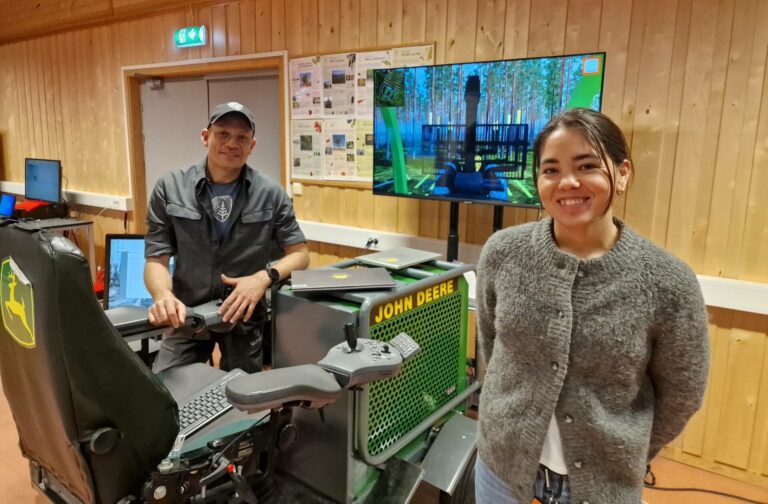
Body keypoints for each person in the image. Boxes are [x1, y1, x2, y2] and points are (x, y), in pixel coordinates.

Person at [474, 108, 709, 503]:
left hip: (604, 486)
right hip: (501, 467)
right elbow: (492, 348)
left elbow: (682, 393)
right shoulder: (503, 253)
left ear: (621, 173)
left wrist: (625, 450)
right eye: (550, 170)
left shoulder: (668, 282)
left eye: (586, 166)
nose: (567, 182)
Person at [144, 101, 309, 374]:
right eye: (223, 134)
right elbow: (156, 259)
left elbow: (300, 255)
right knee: (167, 394)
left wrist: (262, 278)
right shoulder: (170, 187)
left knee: (243, 402)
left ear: (251, 146)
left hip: (244, 317)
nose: (232, 143)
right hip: (187, 314)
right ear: (205, 136)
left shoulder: (270, 192)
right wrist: (162, 295)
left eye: (242, 138)